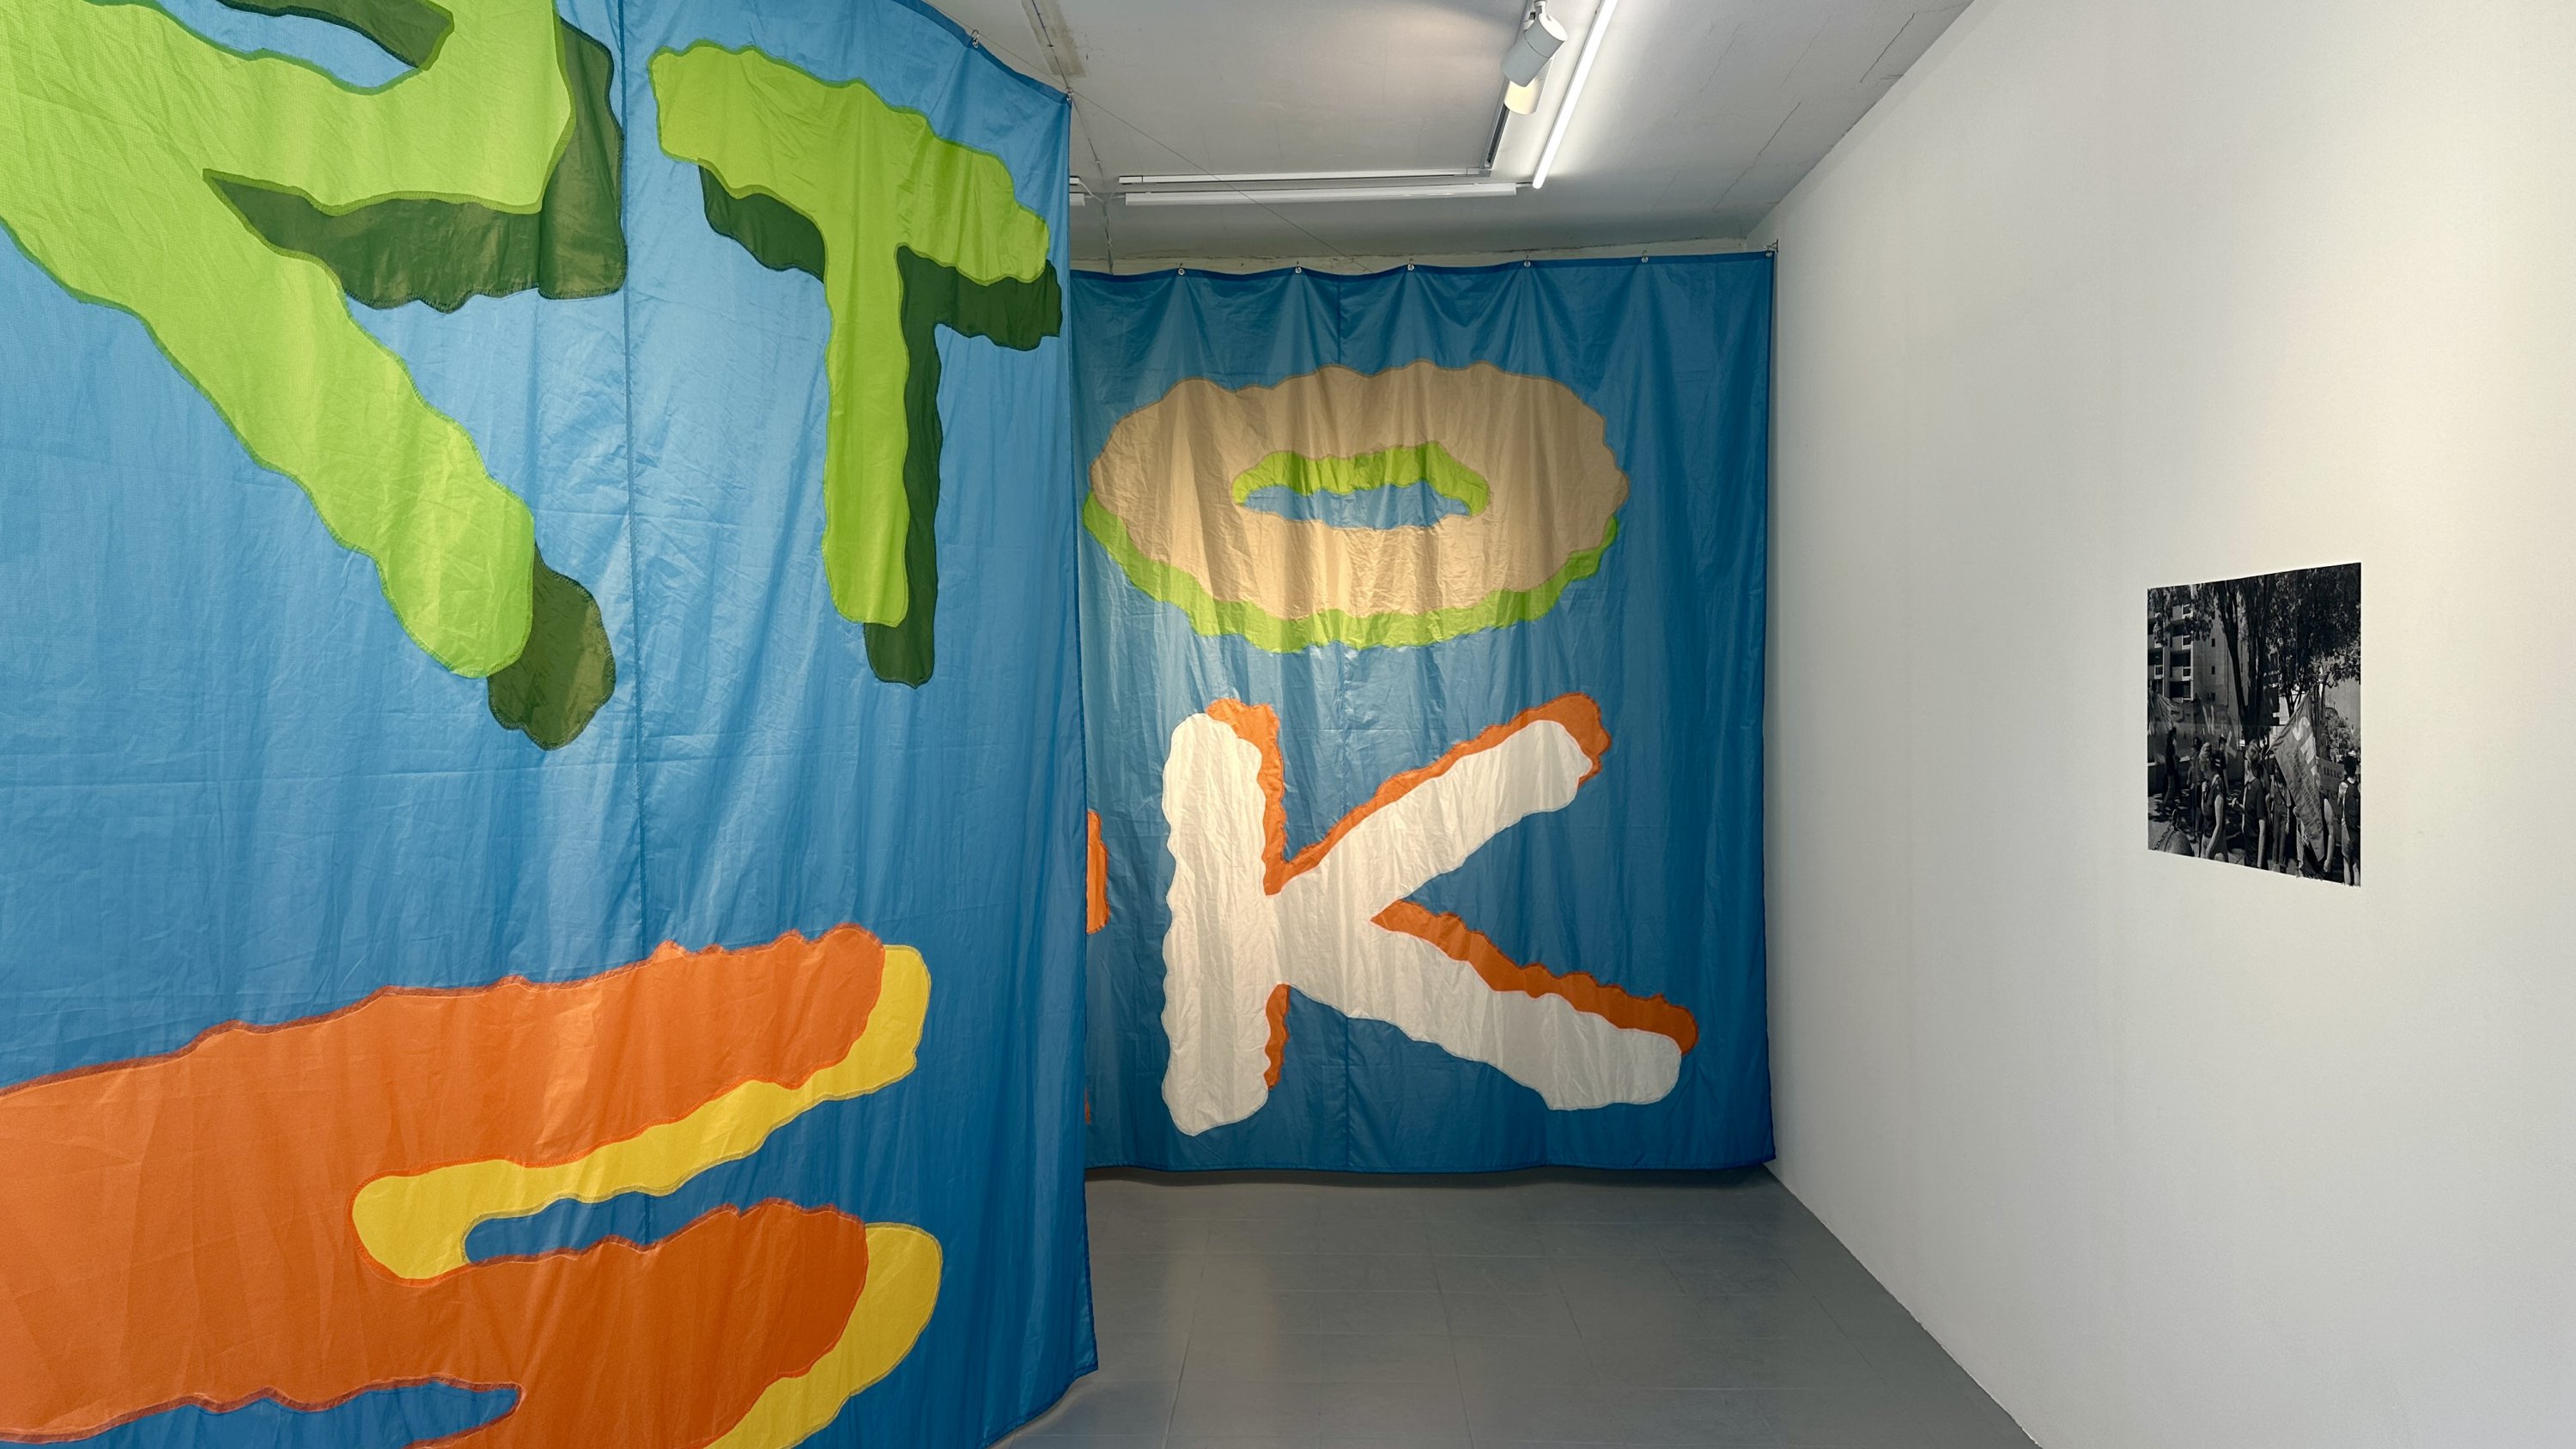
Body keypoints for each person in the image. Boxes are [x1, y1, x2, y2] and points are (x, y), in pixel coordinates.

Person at [2241, 744, 2271, 870]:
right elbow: (2250, 811)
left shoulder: (2257, 787)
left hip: (2255, 854)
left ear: (2248, 763)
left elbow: (2262, 828)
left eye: (2245, 759)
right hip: (2248, 849)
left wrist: (2258, 865)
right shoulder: (2248, 784)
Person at [2336, 754, 2360, 885]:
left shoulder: (2342, 786)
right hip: (2357, 827)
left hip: (2346, 826)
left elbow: (2339, 804)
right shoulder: (2359, 787)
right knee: (2356, 864)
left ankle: (2347, 889)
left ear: (2345, 769)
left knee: (2346, 861)